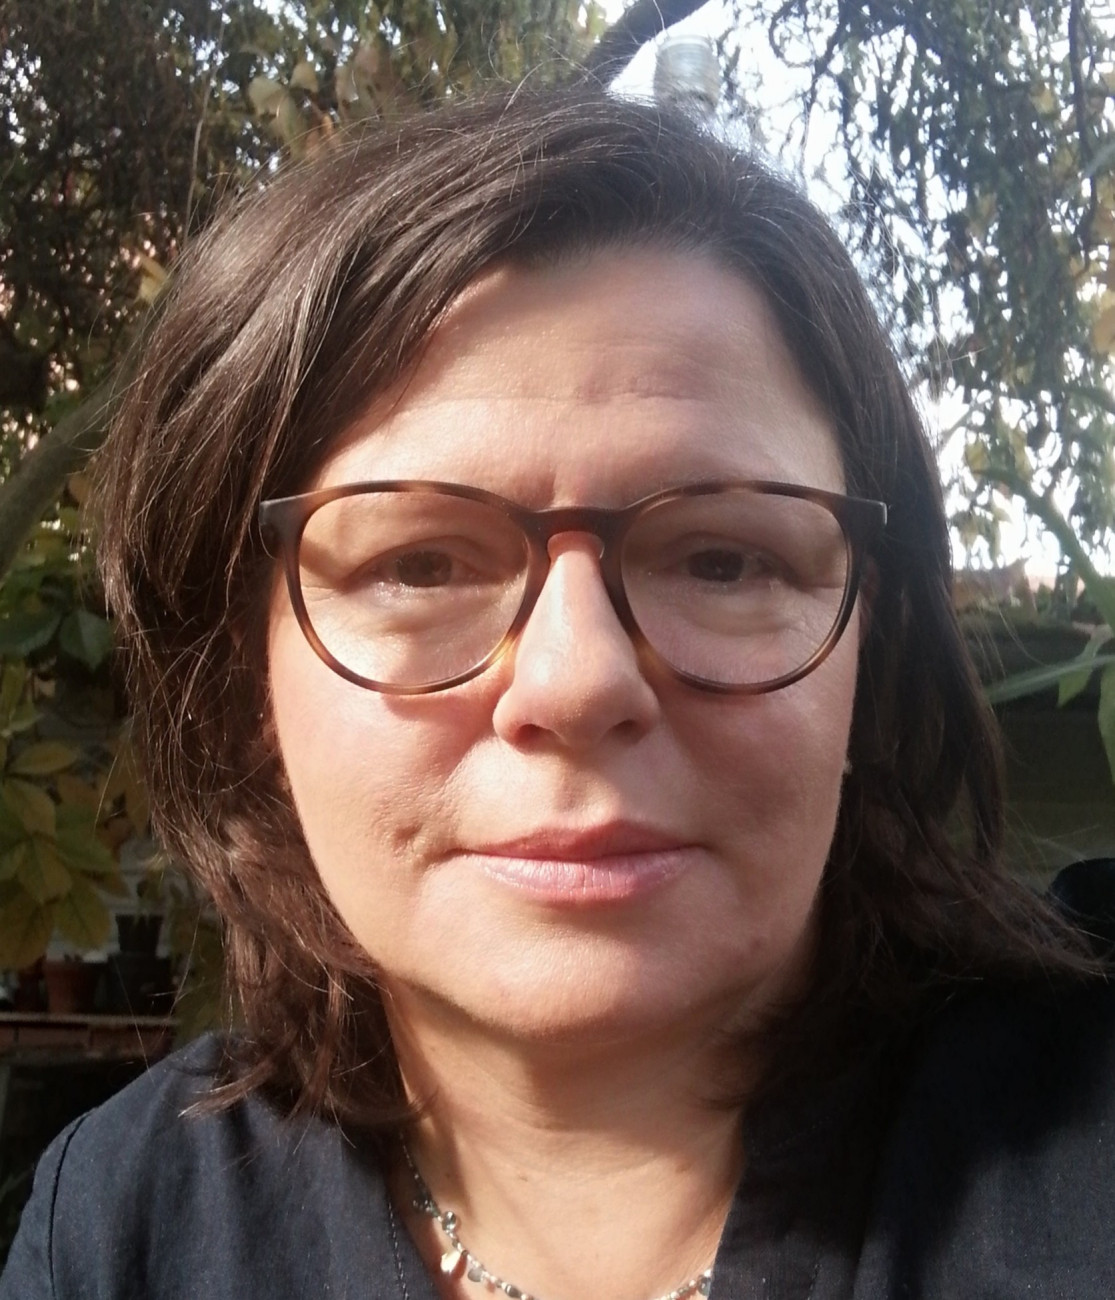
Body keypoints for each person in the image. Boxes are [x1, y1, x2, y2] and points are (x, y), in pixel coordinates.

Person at [3, 84, 1113, 1300]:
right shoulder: (124, 1229)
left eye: (722, 559)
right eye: (418, 564)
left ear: (870, 645)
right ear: (242, 685)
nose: (576, 681)